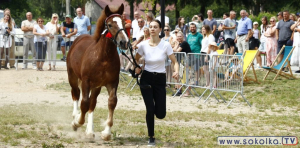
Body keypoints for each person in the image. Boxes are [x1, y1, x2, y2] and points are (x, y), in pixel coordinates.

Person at [134, 20, 179, 146]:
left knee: (160, 113)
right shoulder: (143, 45)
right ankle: (151, 137)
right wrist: (137, 67)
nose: (152, 29)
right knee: (150, 108)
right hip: (146, 78)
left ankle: (155, 115)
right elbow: (136, 60)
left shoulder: (165, 45)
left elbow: (175, 62)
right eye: (151, 27)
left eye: (155, 27)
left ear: (160, 30)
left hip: (160, 79)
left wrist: (176, 72)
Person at [172, 31, 192, 96]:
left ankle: (187, 92)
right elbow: (174, 50)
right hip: (181, 63)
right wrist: (176, 44)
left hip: (186, 62)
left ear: (183, 37)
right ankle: (179, 91)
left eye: (180, 36)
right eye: (177, 36)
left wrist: (176, 44)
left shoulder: (184, 43)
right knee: (180, 77)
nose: (179, 38)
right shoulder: (179, 43)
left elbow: (176, 51)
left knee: (186, 77)